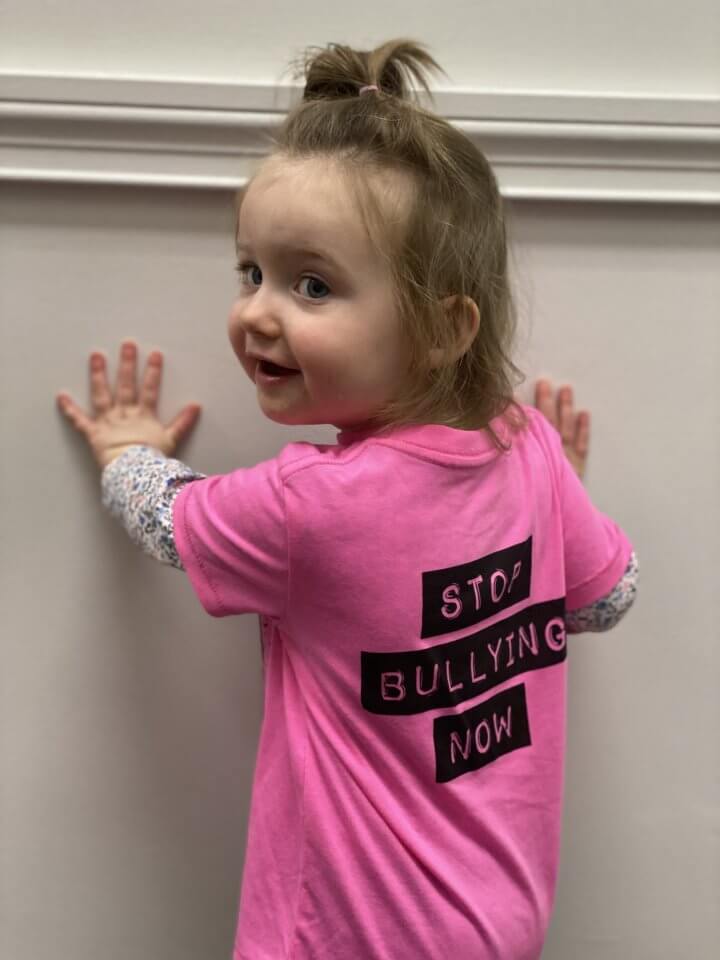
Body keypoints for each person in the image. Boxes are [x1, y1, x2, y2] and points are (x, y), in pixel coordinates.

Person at [56, 38, 638, 960]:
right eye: (250, 272)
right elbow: (607, 598)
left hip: (340, 937)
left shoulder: (310, 506)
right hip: (501, 922)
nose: (257, 312)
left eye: (312, 285)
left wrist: (127, 448)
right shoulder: (526, 450)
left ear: (445, 326)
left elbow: (170, 521)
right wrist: (559, 504)